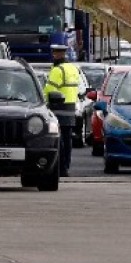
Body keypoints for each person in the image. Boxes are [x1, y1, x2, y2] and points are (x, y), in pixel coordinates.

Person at [43, 44, 80, 177]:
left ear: (57, 54)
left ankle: (60, 168)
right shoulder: (73, 68)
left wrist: (42, 100)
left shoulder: (57, 70)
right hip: (70, 107)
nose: (53, 55)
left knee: (58, 141)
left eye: (54, 53)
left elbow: (49, 90)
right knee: (67, 140)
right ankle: (66, 167)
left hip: (58, 108)